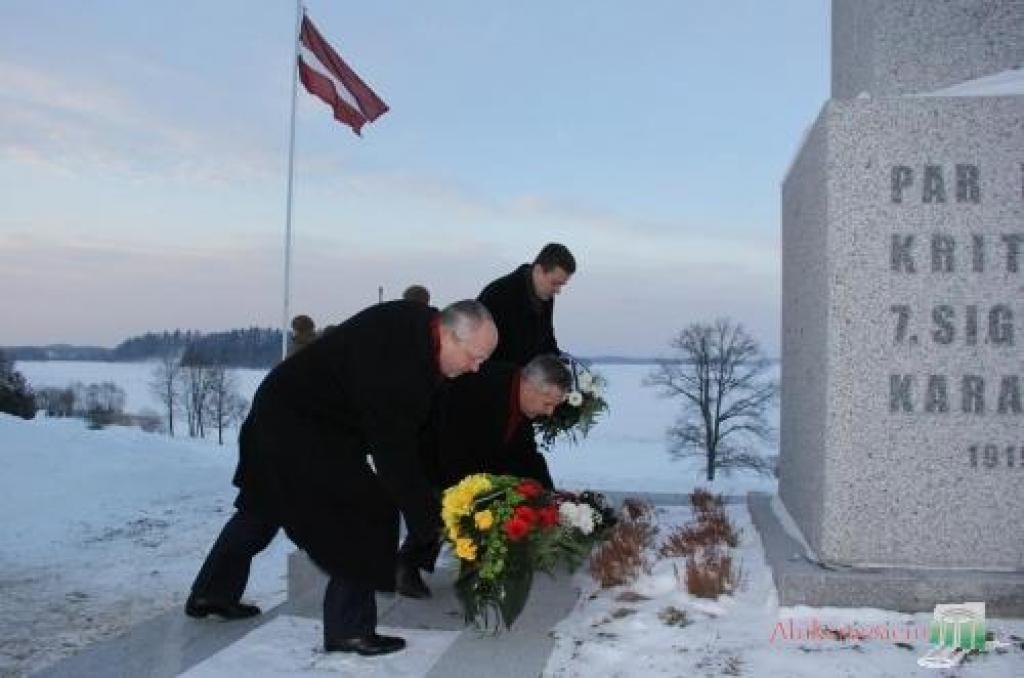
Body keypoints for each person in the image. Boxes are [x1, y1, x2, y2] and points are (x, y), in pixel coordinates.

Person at [186, 299, 497, 657]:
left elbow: (416, 432)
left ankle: (212, 592)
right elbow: (395, 458)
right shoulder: (401, 366)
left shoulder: (418, 328)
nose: (476, 368)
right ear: (447, 333)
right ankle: (349, 629)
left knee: (264, 506)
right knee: (367, 510)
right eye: (474, 357)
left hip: (289, 408)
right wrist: (431, 521)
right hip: (299, 422)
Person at [396, 354, 571, 599]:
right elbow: (452, 443)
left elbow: (526, 454)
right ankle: (406, 565)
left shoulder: (518, 398)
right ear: (531, 386)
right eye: (547, 403)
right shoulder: (482, 387)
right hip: (431, 447)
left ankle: (480, 566)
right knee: (440, 507)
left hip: (469, 454)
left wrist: (548, 495)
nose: (550, 412)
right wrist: (468, 493)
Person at [477, 243, 575, 366]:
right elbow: (480, 354)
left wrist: (558, 362)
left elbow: (547, 341)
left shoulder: (545, 295)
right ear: (539, 270)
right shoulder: (497, 294)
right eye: (555, 283)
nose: (558, 290)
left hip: (529, 379)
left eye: (561, 285)